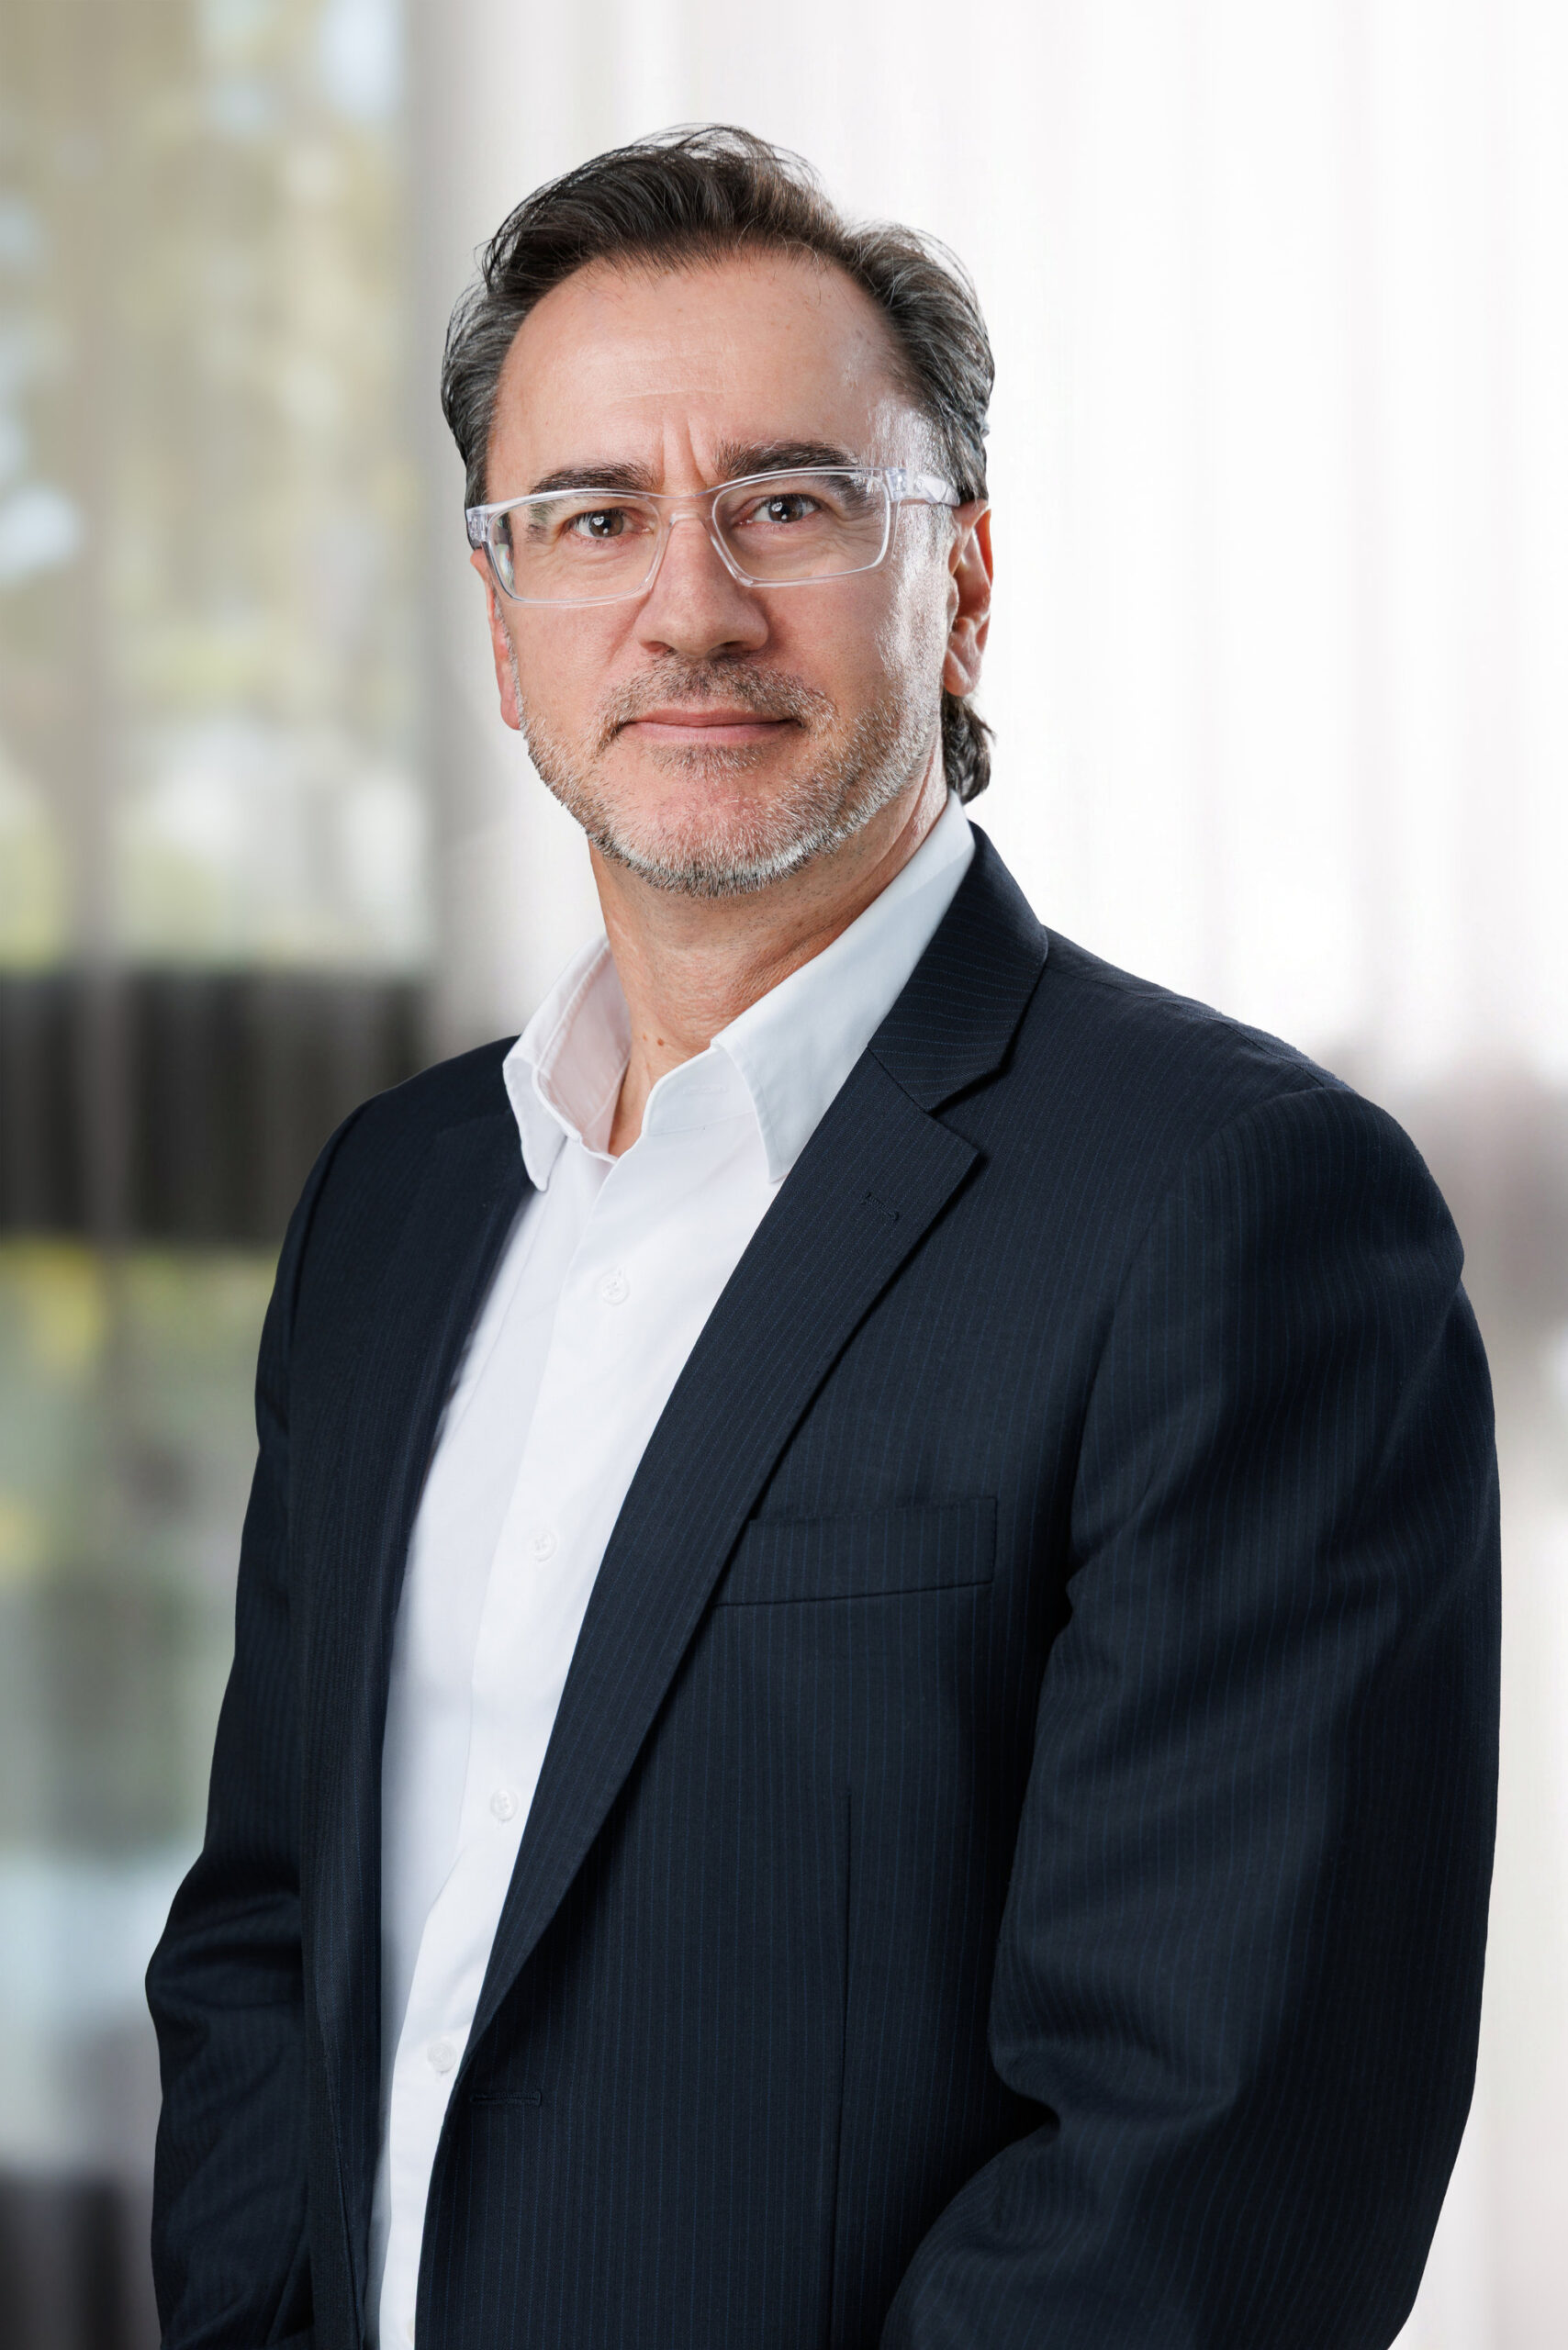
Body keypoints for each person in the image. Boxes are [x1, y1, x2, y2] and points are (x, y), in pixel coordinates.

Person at [147, 127, 1499, 2350]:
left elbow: (1207, 2165)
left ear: (959, 585)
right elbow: (266, 1928)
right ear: (502, 624)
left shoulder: (1237, 1213)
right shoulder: (389, 1204)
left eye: (785, 503)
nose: (685, 602)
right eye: (589, 520)